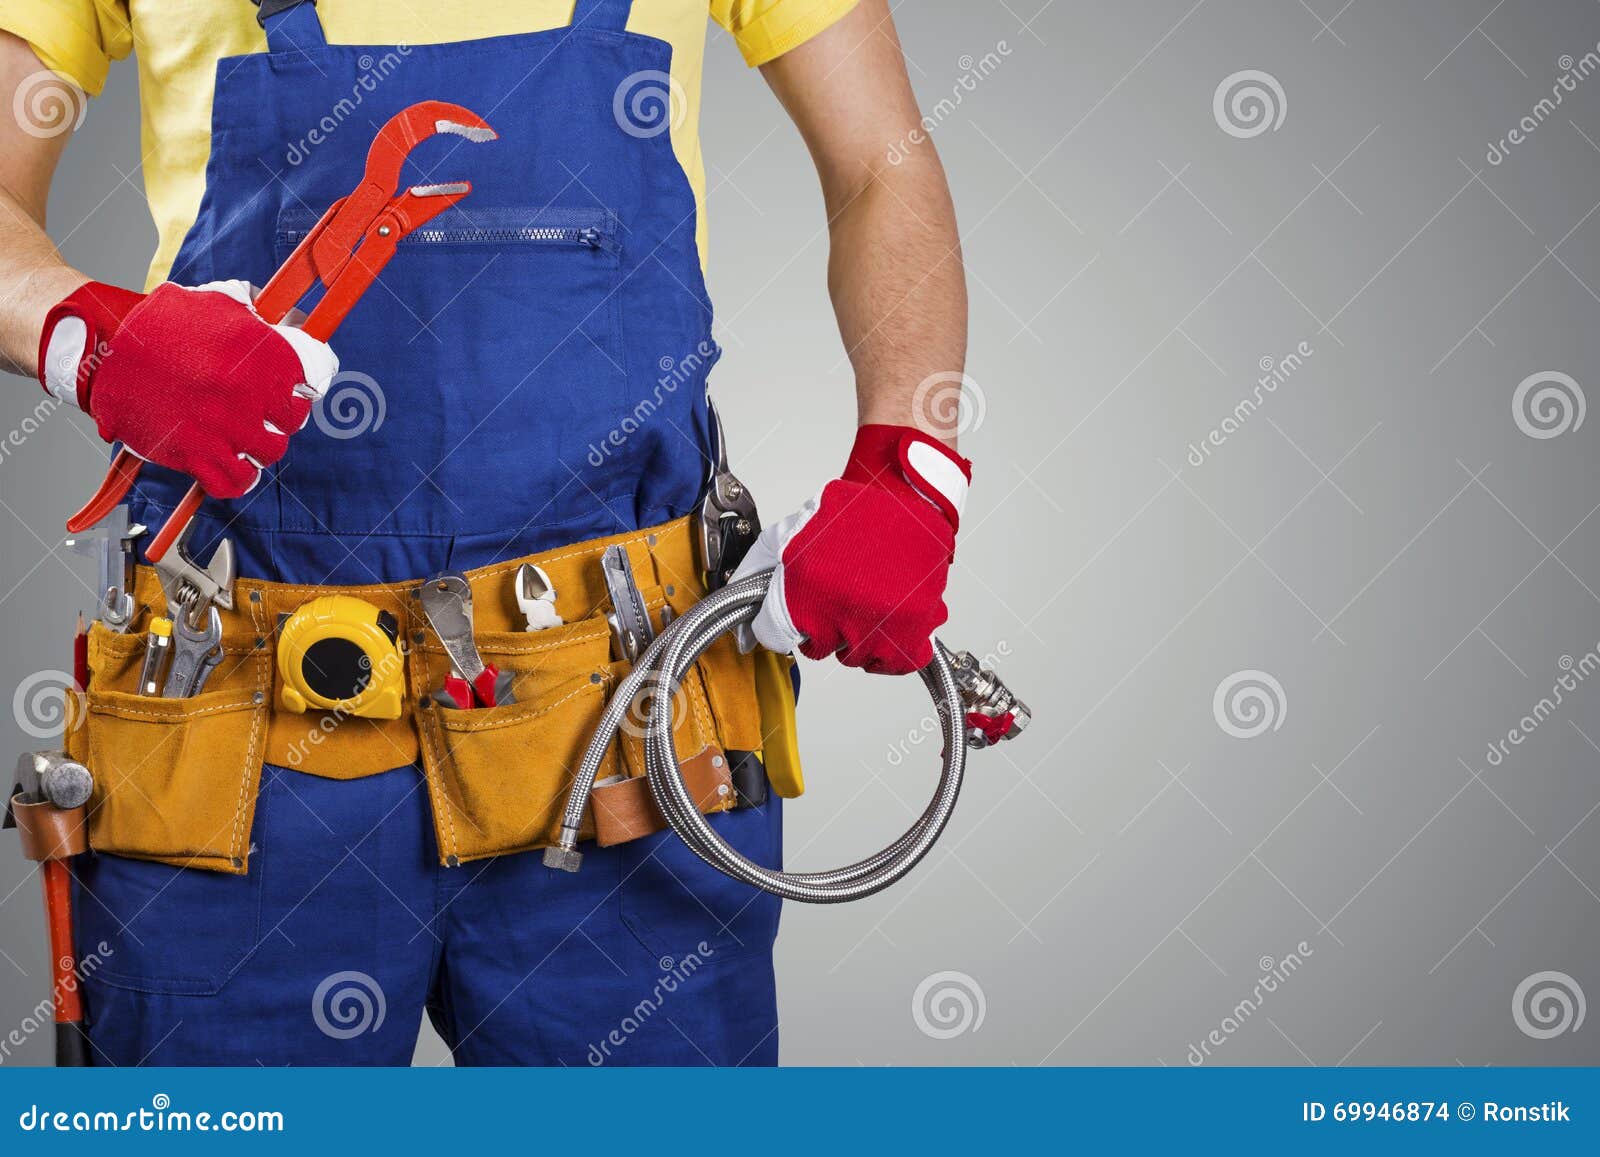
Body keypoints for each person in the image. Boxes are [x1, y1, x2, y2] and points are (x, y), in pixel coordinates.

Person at [0, 0, 972, 1066]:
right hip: (232, 734)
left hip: (625, 735)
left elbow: (884, 164)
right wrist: (84, 334)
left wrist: (909, 469)